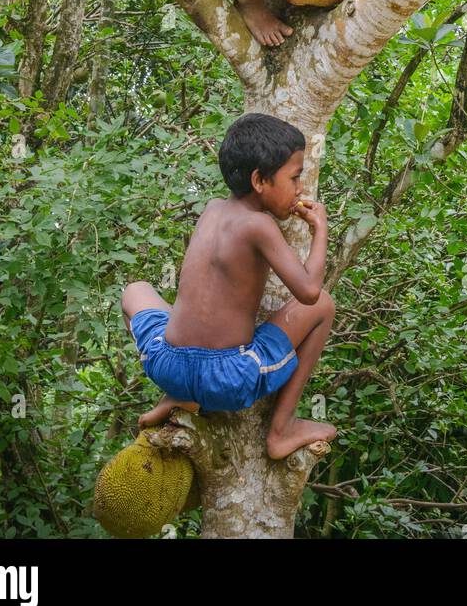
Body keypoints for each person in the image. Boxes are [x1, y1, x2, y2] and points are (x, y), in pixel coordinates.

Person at [121, 113, 337, 460]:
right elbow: (309, 291)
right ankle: (281, 430)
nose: (300, 189)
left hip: (168, 365)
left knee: (135, 290)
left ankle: (178, 395)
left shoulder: (212, 209)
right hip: (228, 377)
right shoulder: (259, 225)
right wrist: (320, 229)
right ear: (259, 181)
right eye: (295, 177)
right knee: (323, 305)